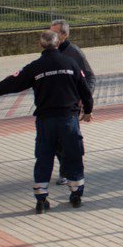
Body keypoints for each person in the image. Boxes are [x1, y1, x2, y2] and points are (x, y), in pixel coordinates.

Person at [0, 30, 94, 213]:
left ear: (40, 45)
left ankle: (41, 199)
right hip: (68, 119)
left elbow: (13, 82)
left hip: (45, 120)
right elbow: (85, 89)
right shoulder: (71, 63)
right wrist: (88, 110)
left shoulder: (35, 67)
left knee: (44, 157)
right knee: (73, 154)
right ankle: (76, 195)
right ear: (58, 44)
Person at [49, 19, 95, 186]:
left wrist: (85, 98)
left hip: (71, 104)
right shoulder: (49, 52)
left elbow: (89, 76)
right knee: (55, 140)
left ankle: (68, 172)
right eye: (50, 31)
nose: (51, 35)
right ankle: (65, 169)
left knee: (68, 139)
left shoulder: (73, 52)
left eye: (55, 32)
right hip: (53, 104)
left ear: (65, 34)